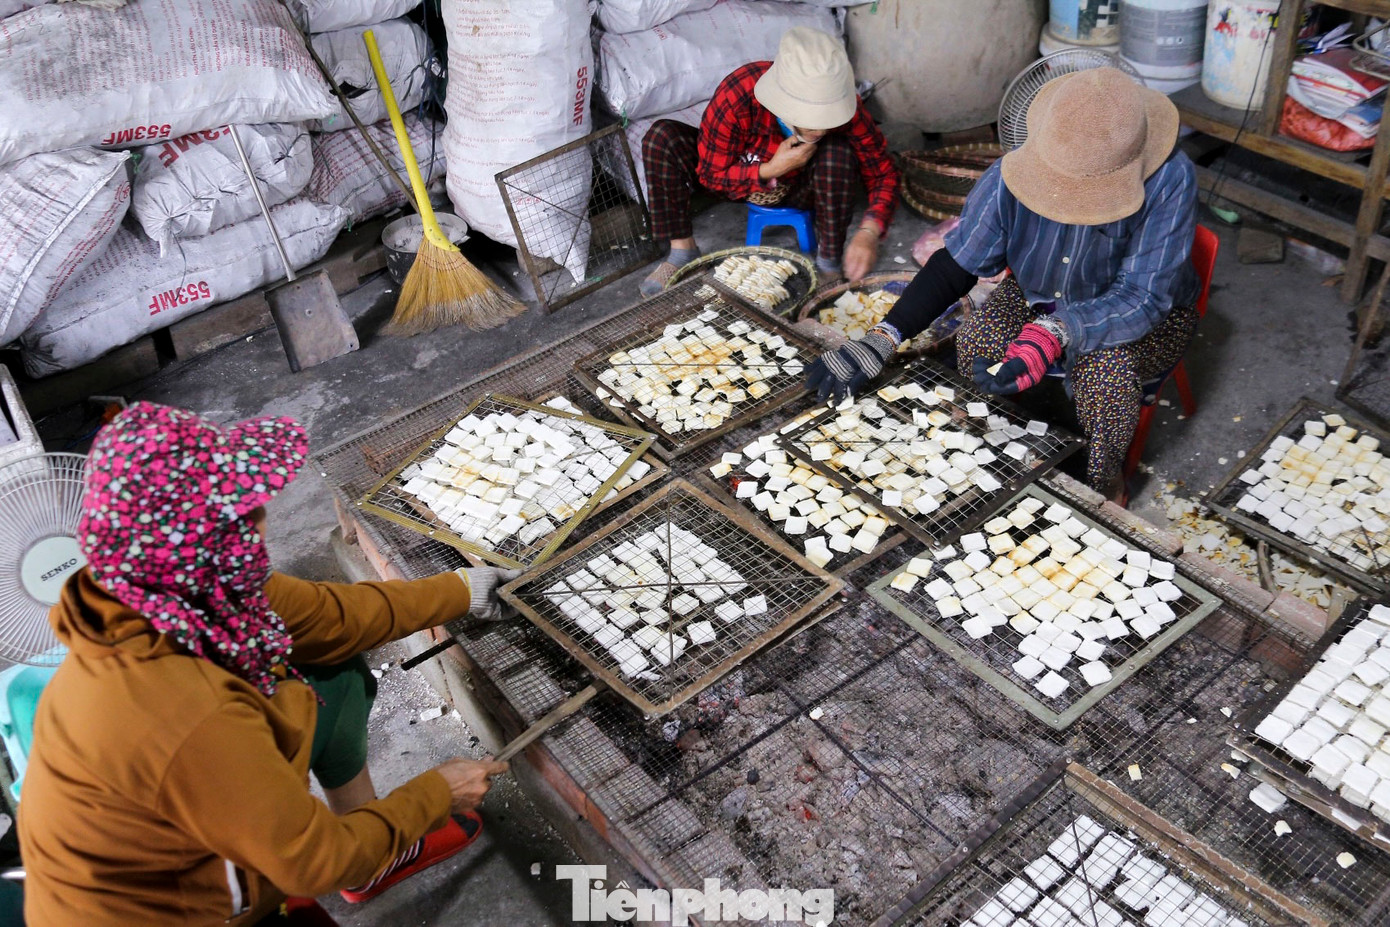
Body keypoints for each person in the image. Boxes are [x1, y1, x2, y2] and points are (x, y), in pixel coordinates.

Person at [19, 402, 520, 925]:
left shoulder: (169, 582)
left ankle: (372, 861)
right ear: (215, 541)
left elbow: (335, 619)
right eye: (247, 513)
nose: (263, 520)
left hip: (204, 832)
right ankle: (366, 855)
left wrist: (462, 590)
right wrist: (434, 795)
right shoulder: (180, 711)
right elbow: (313, 861)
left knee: (332, 670)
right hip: (165, 912)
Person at [807, 67, 1200, 500]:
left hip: (1137, 313)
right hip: (1038, 294)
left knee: (1104, 378)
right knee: (978, 341)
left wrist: (1057, 331)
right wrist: (884, 336)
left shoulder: (1170, 178)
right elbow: (957, 263)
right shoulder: (1013, 172)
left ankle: (1106, 483)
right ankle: (983, 453)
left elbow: (1145, 296)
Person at [638, 26, 899, 296]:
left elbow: (884, 173)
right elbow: (711, 175)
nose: (820, 131)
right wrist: (772, 169)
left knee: (837, 154)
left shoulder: (847, 107)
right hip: (739, 180)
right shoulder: (740, 92)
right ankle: (683, 252)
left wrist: (870, 230)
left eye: (826, 119)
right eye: (812, 119)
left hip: (802, 188)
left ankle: (828, 266)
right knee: (662, 138)